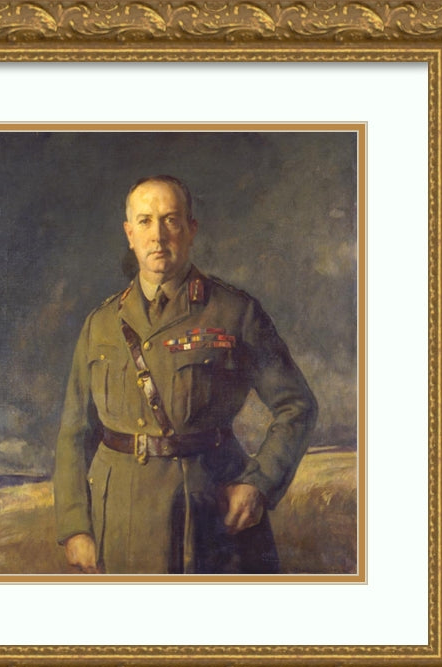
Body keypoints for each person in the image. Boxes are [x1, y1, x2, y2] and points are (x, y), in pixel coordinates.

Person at [53, 175, 317, 574]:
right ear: (129, 234)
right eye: (145, 221)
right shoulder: (100, 324)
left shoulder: (235, 312)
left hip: (211, 518)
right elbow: (75, 432)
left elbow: (297, 405)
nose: (158, 235)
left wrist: (258, 484)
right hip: (120, 521)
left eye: (171, 220)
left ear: (191, 229)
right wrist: (75, 526)